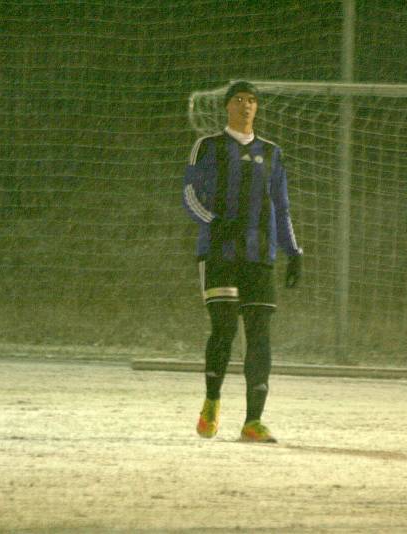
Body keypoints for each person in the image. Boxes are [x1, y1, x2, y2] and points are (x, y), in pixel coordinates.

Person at [182, 81, 303, 443]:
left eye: (252, 101)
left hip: (258, 256)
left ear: (257, 108)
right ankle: (212, 400)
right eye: (239, 100)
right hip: (220, 253)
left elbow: (281, 208)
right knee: (224, 328)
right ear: (227, 107)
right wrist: (215, 222)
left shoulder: (272, 153)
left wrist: (293, 252)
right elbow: (189, 193)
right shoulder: (208, 146)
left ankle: (253, 421)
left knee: (260, 334)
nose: (246, 106)